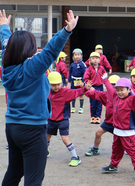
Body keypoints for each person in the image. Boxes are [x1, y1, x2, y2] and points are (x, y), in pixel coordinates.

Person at [0, 9, 78, 185]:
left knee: (14, 171)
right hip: (32, 130)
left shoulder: (7, 65)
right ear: (28, 48)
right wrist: (66, 31)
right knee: (34, 179)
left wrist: (4, 27)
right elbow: (50, 51)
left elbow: (7, 43)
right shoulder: (31, 68)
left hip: (13, 127)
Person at [47, 72, 91, 166]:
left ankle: (75, 157)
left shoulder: (65, 92)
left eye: (58, 84)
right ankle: (45, 151)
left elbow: (76, 92)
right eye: (53, 85)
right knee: (46, 137)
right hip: (50, 120)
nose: (56, 87)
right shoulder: (47, 92)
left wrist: (84, 88)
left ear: (61, 83)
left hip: (63, 120)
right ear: (49, 84)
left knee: (65, 138)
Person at [84, 75, 120, 156]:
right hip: (108, 121)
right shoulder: (105, 94)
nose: (113, 87)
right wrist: (85, 89)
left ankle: (134, 150)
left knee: (122, 139)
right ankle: (95, 149)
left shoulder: (123, 96)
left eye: (115, 85)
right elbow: (94, 94)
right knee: (98, 133)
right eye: (112, 84)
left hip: (119, 123)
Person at [83, 52, 106, 124]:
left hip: (100, 87)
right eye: (93, 58)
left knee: (99, 103)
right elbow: (85, 78)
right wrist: (90, 87)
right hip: (92, 87)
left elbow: (105, 76)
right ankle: (93, 116)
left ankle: (98, 117)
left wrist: (106, 84)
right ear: (90, 60)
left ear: (99, 60)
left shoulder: (102, 68)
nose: (95, 60)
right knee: (93, 103)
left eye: (96, 58)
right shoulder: (89, 69)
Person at [68, 48, 87, 114]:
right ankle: (73, 107)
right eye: (75, 55)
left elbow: (85, 73)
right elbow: (70, 72)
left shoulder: (82, 64)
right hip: (73, 81)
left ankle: (81, 108)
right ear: (73, 56)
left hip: (80, 81)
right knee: (73, 94)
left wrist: (83, 81)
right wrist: (68, 81)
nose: (77, 56)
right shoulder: (72, 64)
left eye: (78, 55)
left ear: (81, 56)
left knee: (81, 94)